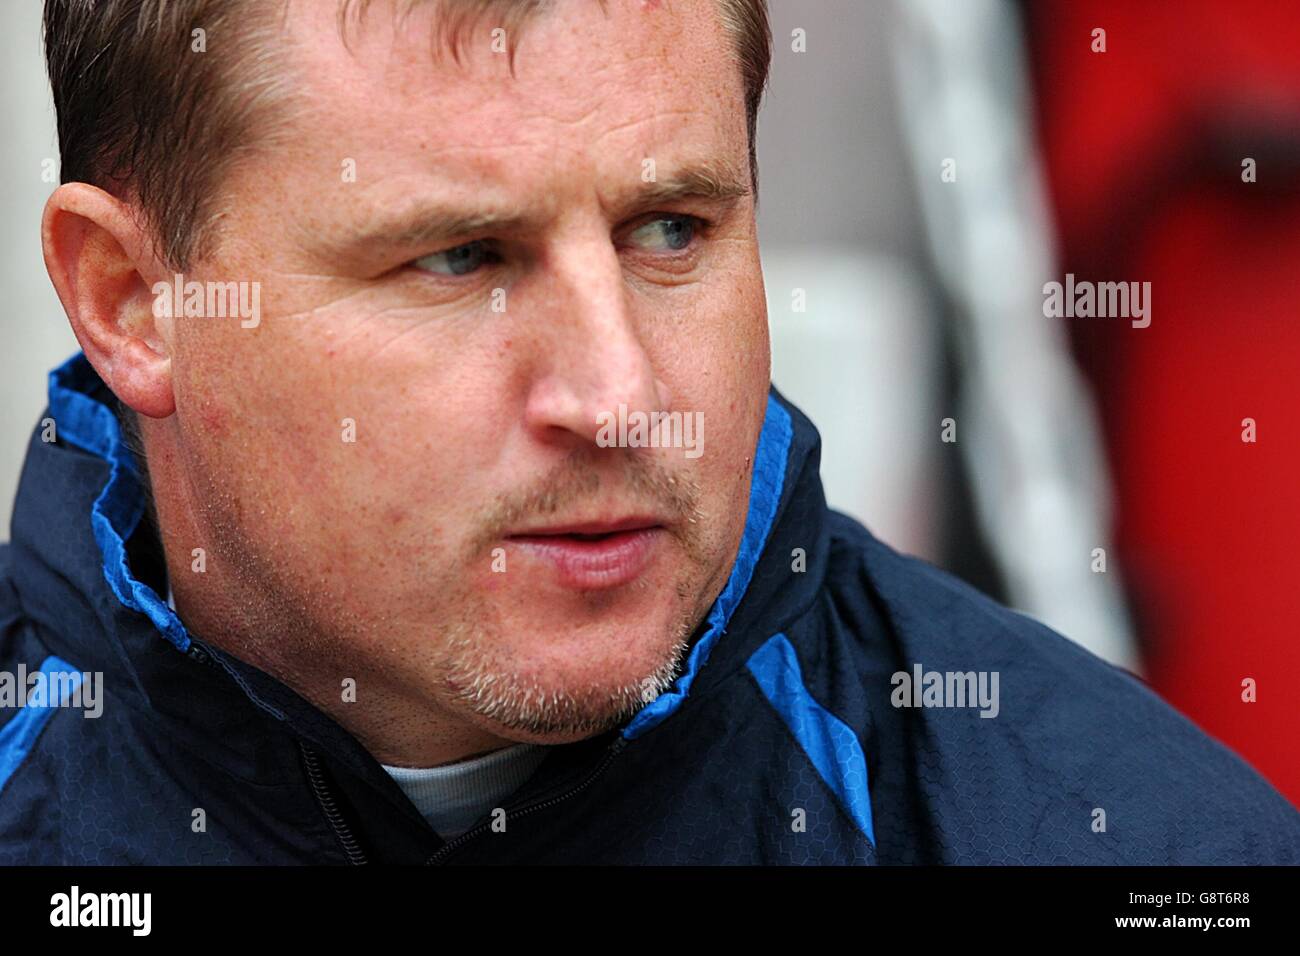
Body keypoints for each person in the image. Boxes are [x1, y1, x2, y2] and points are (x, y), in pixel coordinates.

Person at [1, 0, 1296, 865]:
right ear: (132, 301)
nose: (620, 395)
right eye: (461, 258)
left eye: (671, 232)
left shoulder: (1136, 845)